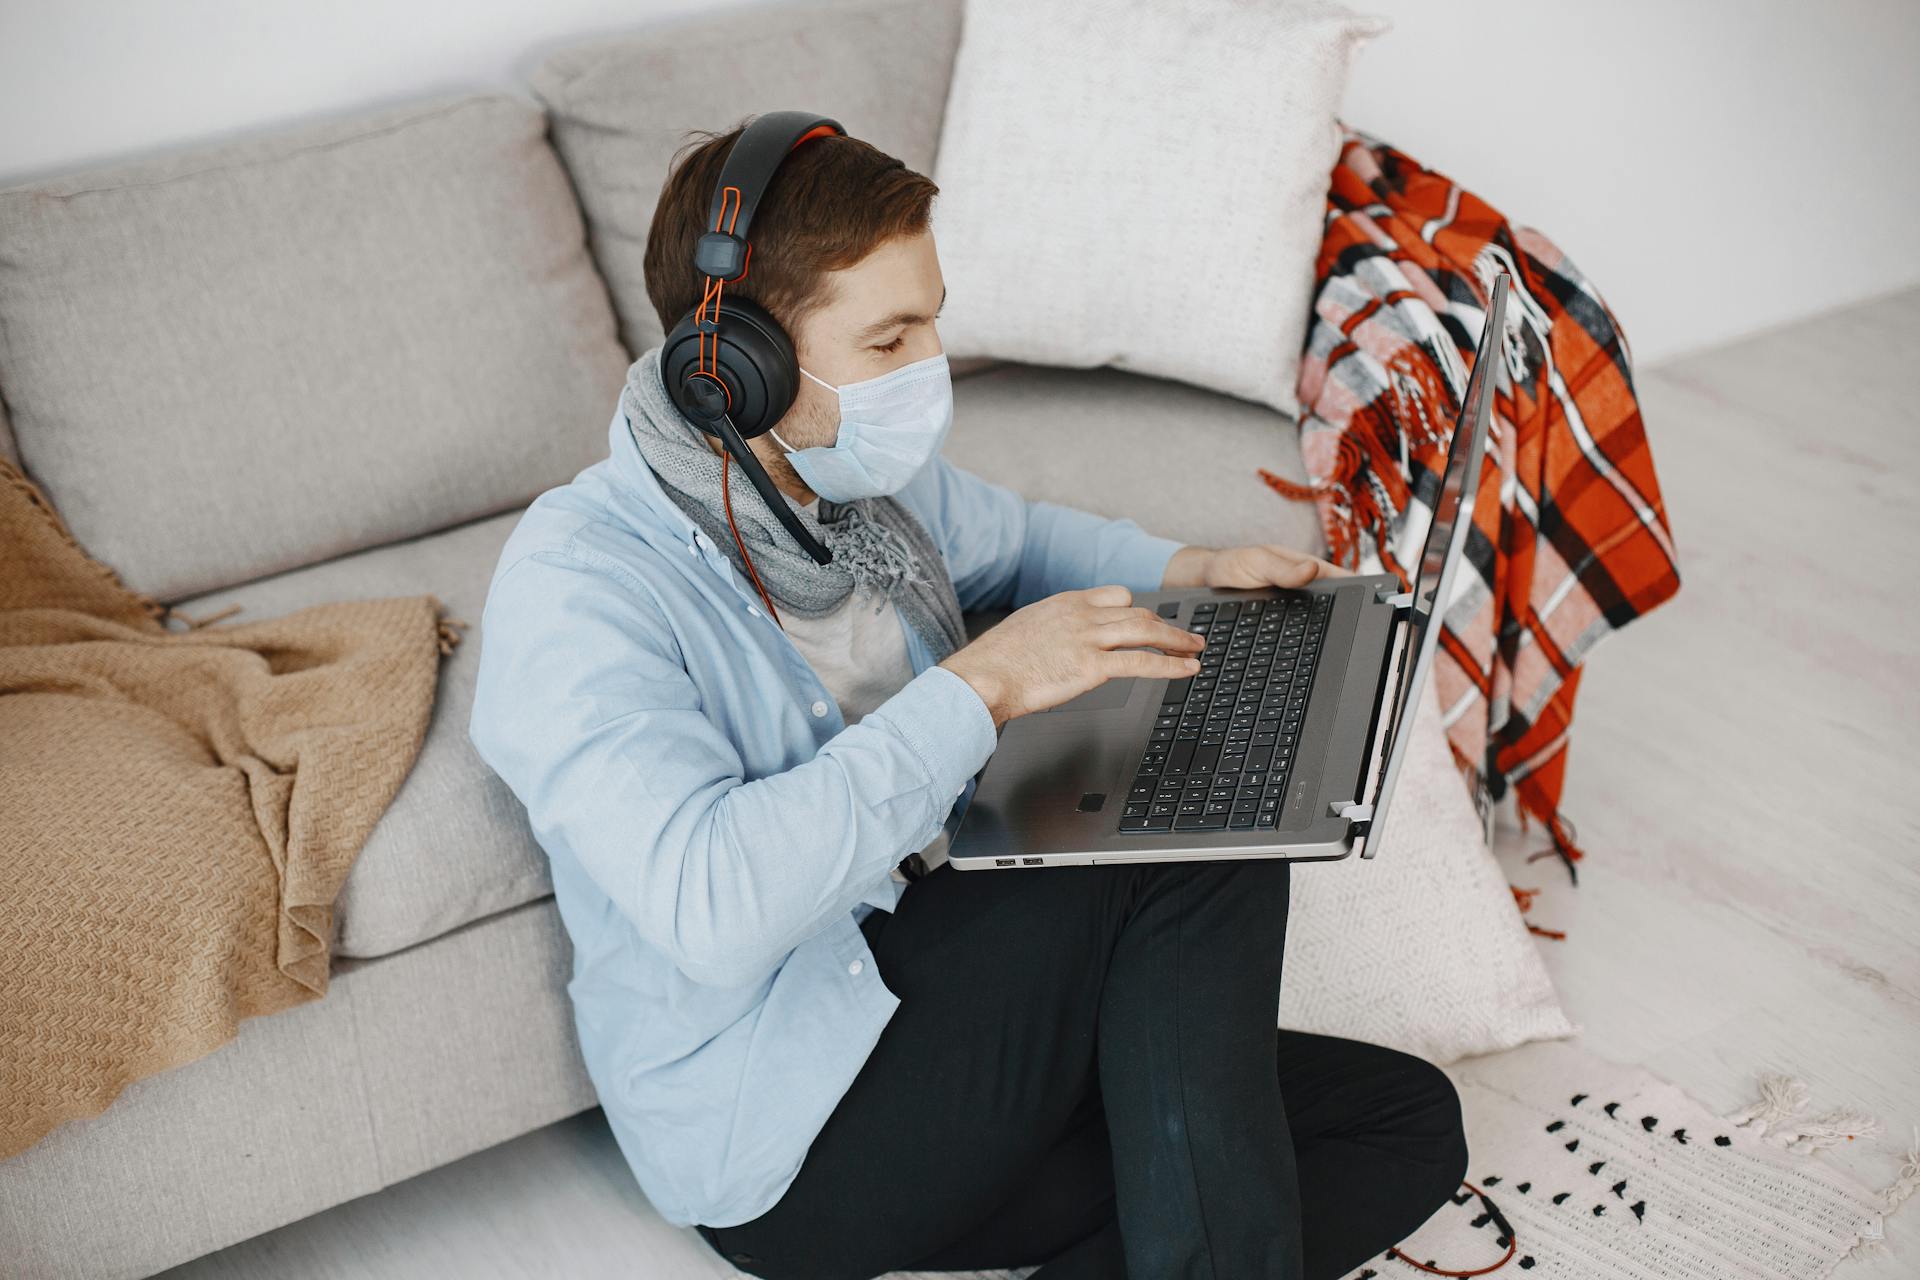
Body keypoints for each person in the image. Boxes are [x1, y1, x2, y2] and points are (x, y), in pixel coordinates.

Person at [468, 119, 1467, 1280]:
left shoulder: (854, 478)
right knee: (1187, 814)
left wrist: (1187, 567)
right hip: (797, 1135)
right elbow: (712, 899)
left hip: (971, 1029)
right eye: (891, 335)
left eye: (932, 315)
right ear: (734, 365)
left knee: (1406, 1121)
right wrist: (981, 685)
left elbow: (1018, 540)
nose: (932, 361)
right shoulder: (580, 584)